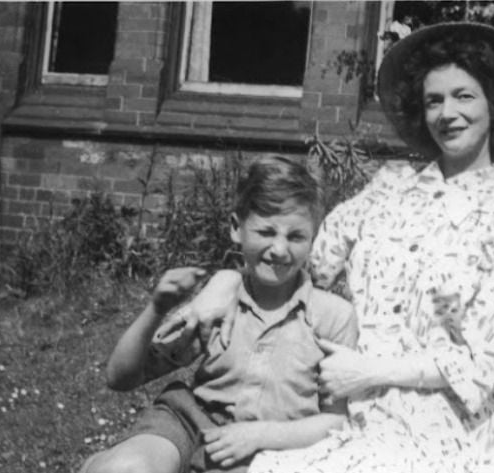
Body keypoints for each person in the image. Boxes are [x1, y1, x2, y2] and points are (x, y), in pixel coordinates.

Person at [244, 22, 494, 473]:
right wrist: (229, 287)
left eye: (464, 96)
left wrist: (368, 371)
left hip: (465, 432)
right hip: (360, 409)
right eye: (434, 100)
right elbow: (306, 266)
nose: (447, 113)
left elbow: (480, 364)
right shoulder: (386, 191)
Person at [78, 156, 358, 473]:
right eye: (266, 232)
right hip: (192, 423)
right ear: (236, 229)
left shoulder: (333, 317)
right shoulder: (217, 302)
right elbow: (121, 377)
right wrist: (157, 308)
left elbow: (337, 419)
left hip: (276, 449)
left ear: (312, 238)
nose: (279, 249)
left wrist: (262, 435)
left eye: (295, 236)